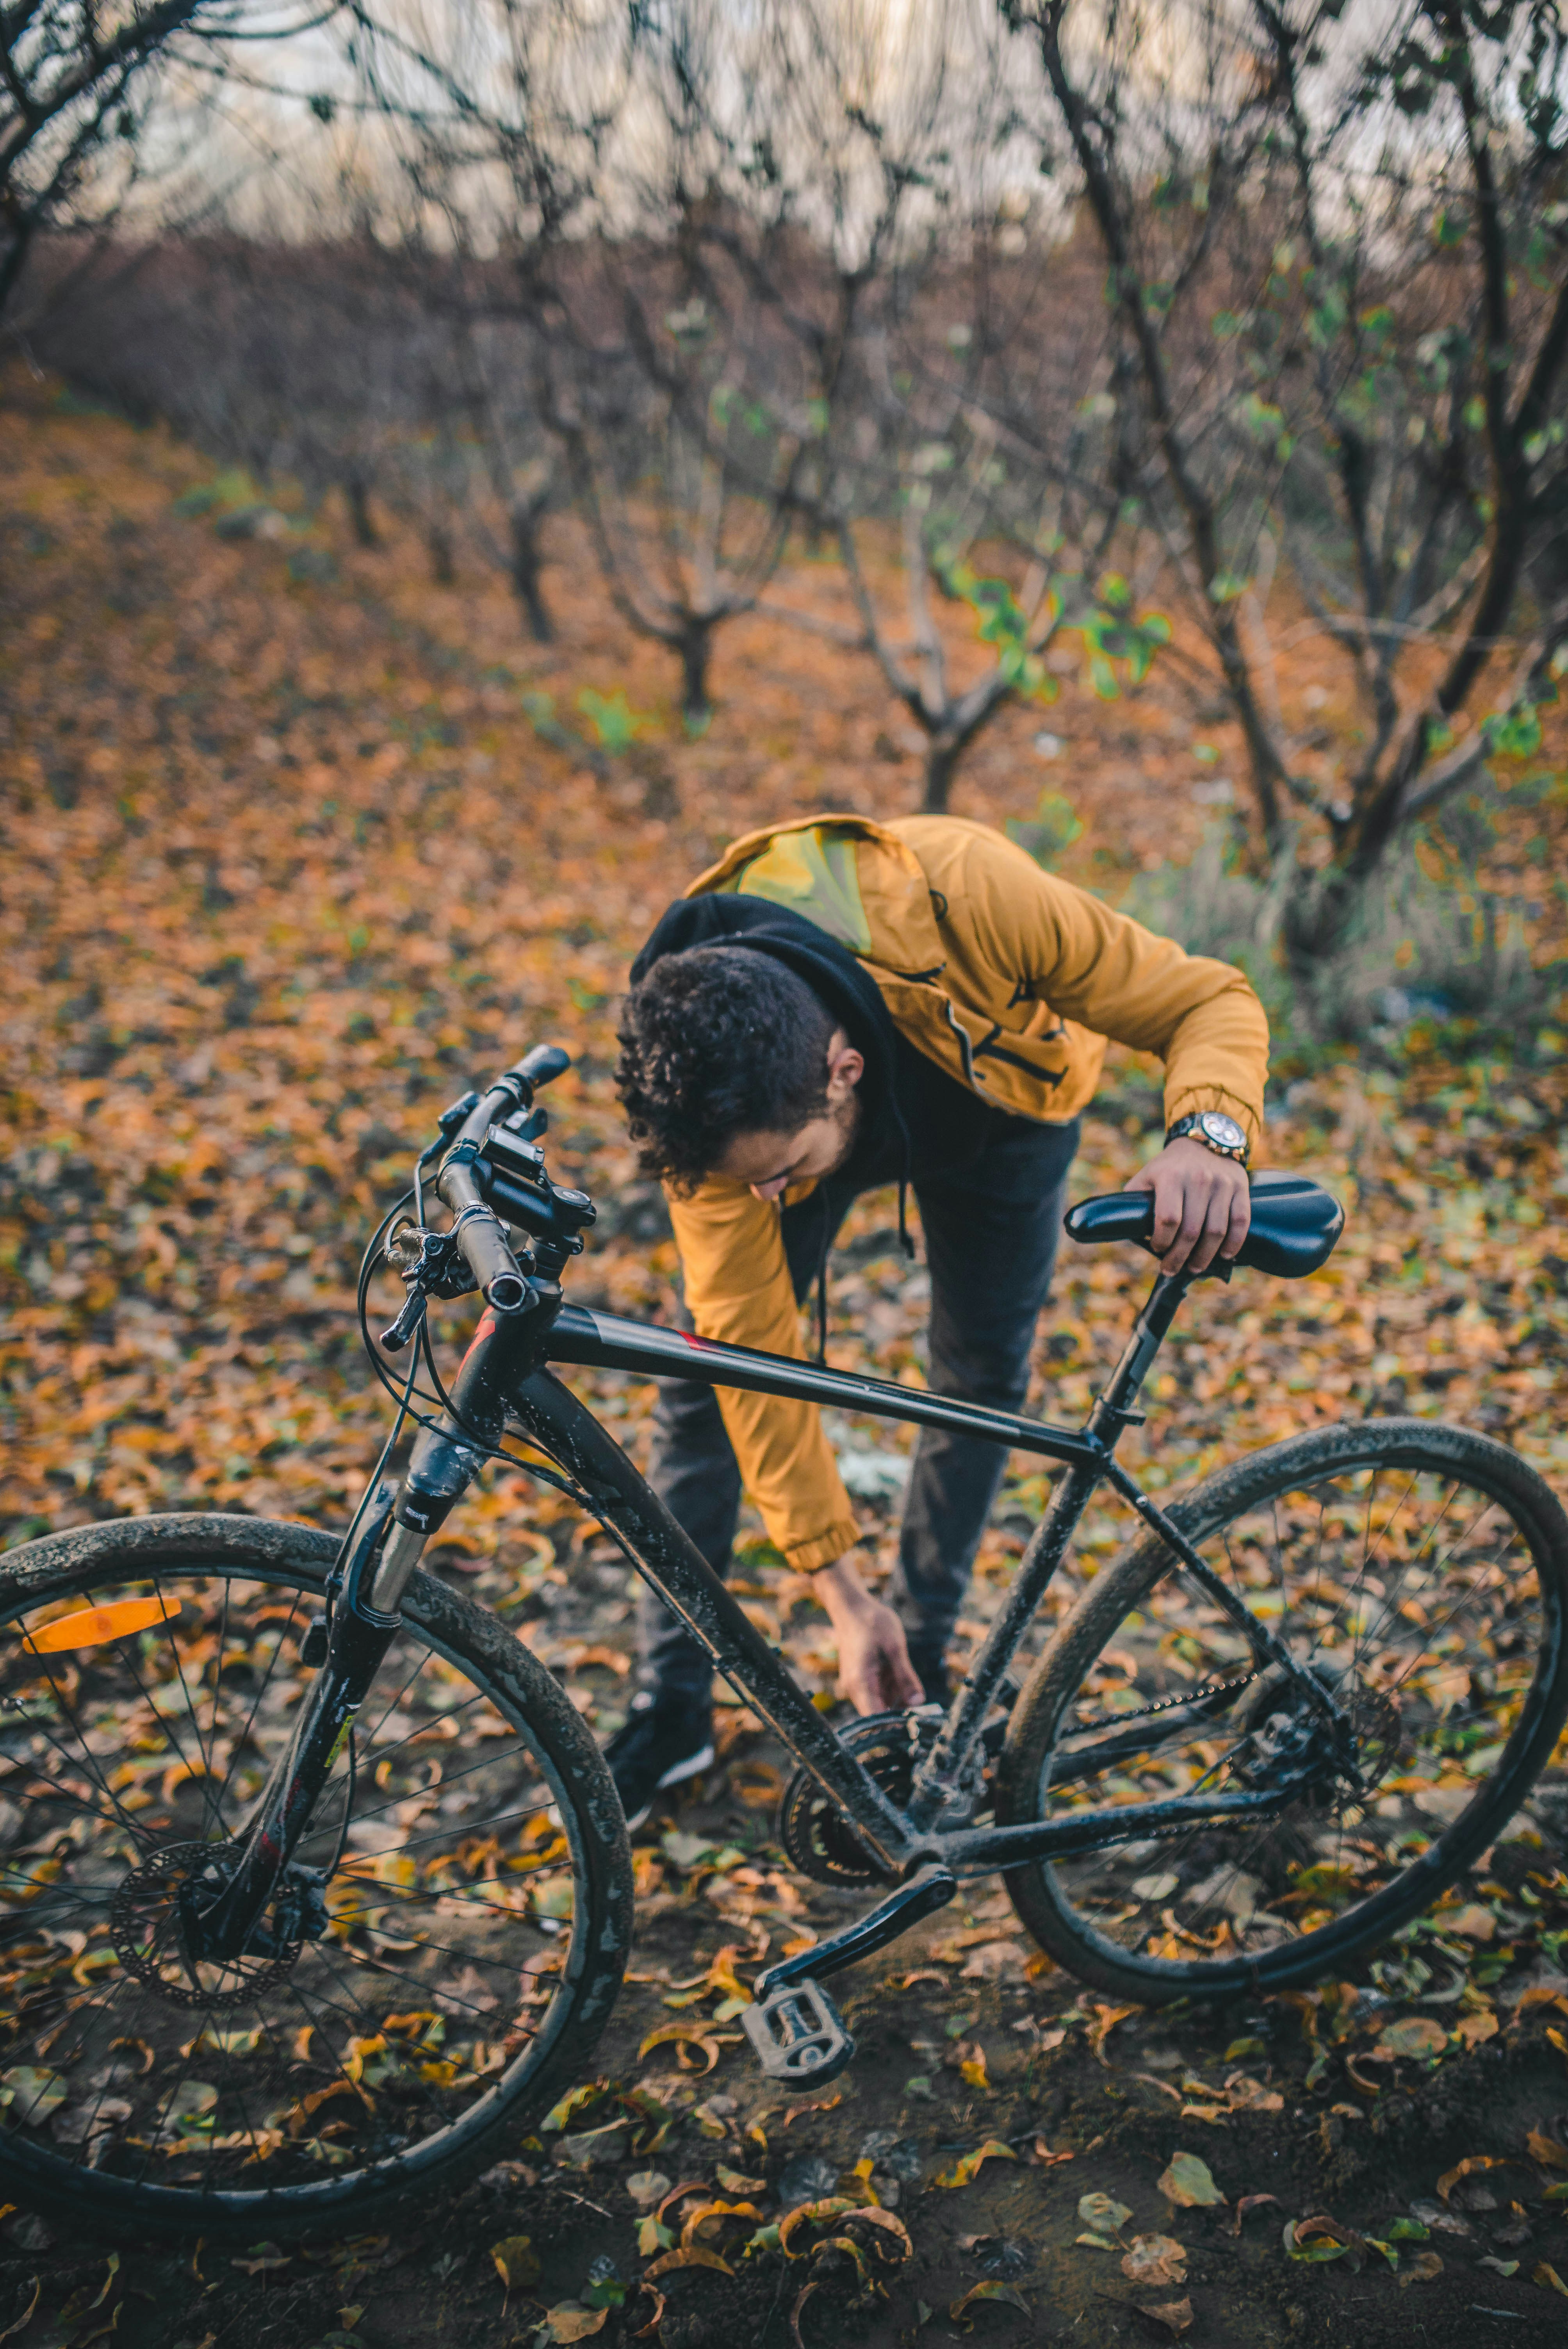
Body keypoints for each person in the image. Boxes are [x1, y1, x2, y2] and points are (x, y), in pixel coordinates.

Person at [604, 811, 1267, 1827]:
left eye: (782, 1176)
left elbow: (1208, 996)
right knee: (703, 1385)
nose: (770, 1201)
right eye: (751, 1186)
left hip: (1004, 1113)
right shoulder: (705, 1103)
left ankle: (923, 1656)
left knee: (980, 1374)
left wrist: (1208, 1137)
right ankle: (673, 1707)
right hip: (788, 1123)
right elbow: (752, 1351)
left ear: (844, 1069)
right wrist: (839, 1594)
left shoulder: (974, 895)